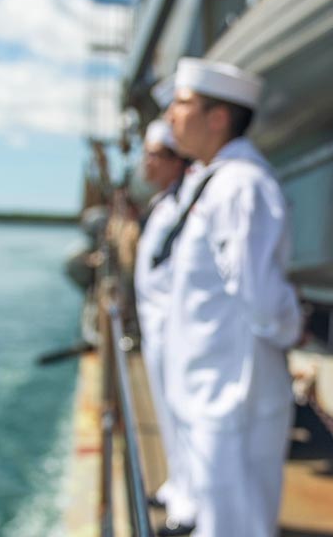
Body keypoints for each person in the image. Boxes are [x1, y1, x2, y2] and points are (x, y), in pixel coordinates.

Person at [159, 58, 303, 537]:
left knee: (236, 526)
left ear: (217, 117)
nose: (170, 117)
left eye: (181, 104)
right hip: (210, 389)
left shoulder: (242, 186)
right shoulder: (214, 179)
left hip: (232, 395)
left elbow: (262, 300)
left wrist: (287, 328)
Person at [132, 119, 197, 532]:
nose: (146, 163)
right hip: (155, 331)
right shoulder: (162, 204)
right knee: (166, 413)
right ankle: (176, 485)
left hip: (175, 332)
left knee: (185, 417)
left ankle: (188, 506)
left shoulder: (184, 205)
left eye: (154, 155)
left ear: (175, 161)